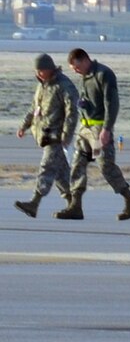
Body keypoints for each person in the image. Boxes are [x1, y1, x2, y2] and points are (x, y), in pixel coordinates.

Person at [58, 48, 130, 221]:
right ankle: (75, 206)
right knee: (77, 165)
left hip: (98, 131)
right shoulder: (84, 78)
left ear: (84, 60)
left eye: (76, 67)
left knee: (105, 166)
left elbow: (112, 103)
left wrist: (107, 129)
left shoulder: (104, 74)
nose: (75, 71)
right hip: (85, 130)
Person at [12, 52, 78, 219]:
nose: (38, 73)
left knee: (47, 168)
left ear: (49, 69)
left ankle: (34, 202)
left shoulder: (64, 85)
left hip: (56, 136)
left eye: (41, 70)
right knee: (61, 174)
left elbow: (72, 112)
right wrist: (24, 126)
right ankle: (74, 205)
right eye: (37, 71)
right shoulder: (42, 86)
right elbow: (34, 109)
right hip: (44, 135)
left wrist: (67, 134)